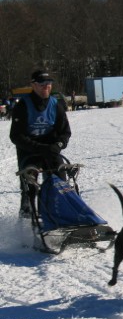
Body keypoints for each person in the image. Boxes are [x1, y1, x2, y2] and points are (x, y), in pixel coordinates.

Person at [10, 70, 71, 217]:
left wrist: (59, 145)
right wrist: (39, 148)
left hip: (51, 149)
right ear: (33, 85)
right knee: (29, 186)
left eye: (49, 84)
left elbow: (65, 132)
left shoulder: (56, 105)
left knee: (61, 183)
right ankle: (27, 216)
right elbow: (16, 136)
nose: (46, 87)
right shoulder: (22, 106)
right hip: (29, 150)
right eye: (42, 84)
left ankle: (59, 213)